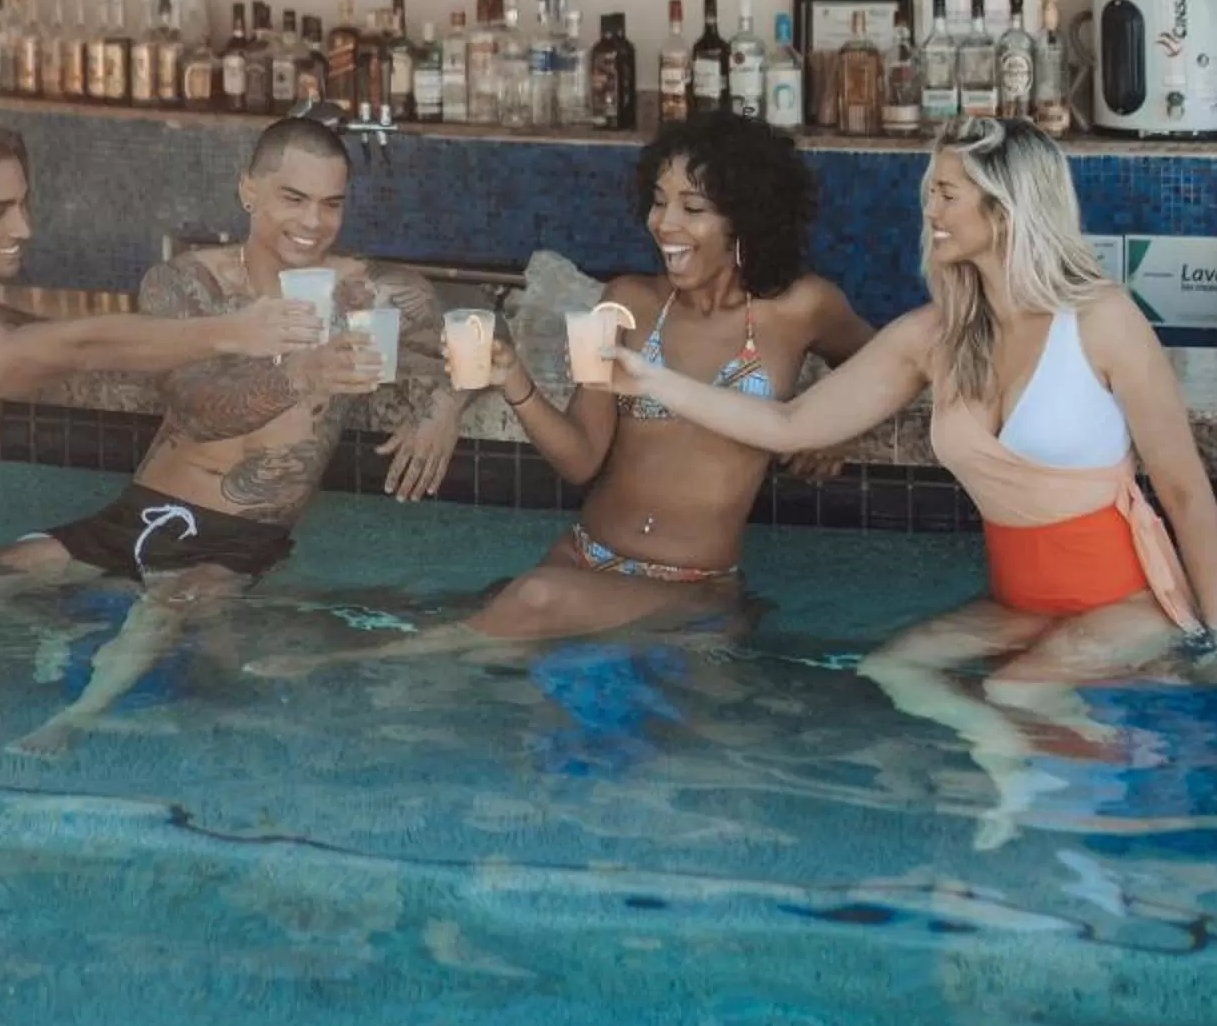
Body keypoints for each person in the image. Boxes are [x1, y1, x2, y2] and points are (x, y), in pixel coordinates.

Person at [616, 115, 1217, 841]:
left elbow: (1183, 491)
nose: (930, 209)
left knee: (1014, 686)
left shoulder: (1101, 321)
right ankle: (1013, 755)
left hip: (1124, 598)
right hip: (1019, 599)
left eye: (948, 194)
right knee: (891, 669)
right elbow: (793, 425)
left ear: (1005, 204)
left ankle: (1057, 787)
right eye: (932, 191)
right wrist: (649, 378)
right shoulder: (933, 335)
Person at [0, 117, 317, 778]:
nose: (24, 229)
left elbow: (35, 336)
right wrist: (230, 332)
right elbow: (71, 347)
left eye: (22, 202)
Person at [265, 112, 867, 669]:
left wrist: (842, 428)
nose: (665, 224)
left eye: (693, 207)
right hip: (583, 560)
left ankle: (344, 668)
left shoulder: (801, 307)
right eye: (659, 203)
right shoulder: (630, 301)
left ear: (746, 217)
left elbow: (883, 364)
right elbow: (581, 460)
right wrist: (513, 379)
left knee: (529, 608)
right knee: (524, 646)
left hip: (689, 591)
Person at [0, 113, 464, 754]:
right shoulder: (186, 285)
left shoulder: (373, 295)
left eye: (330, 204)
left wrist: (446, 408)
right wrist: (300, 375)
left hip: (240, 535)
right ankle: (25, 651)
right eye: (293, 198)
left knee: (168, 606)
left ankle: (71, 722)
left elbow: (487, 334)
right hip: (140, 511)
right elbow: (199, 407)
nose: (313, 223)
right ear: (248, 192)